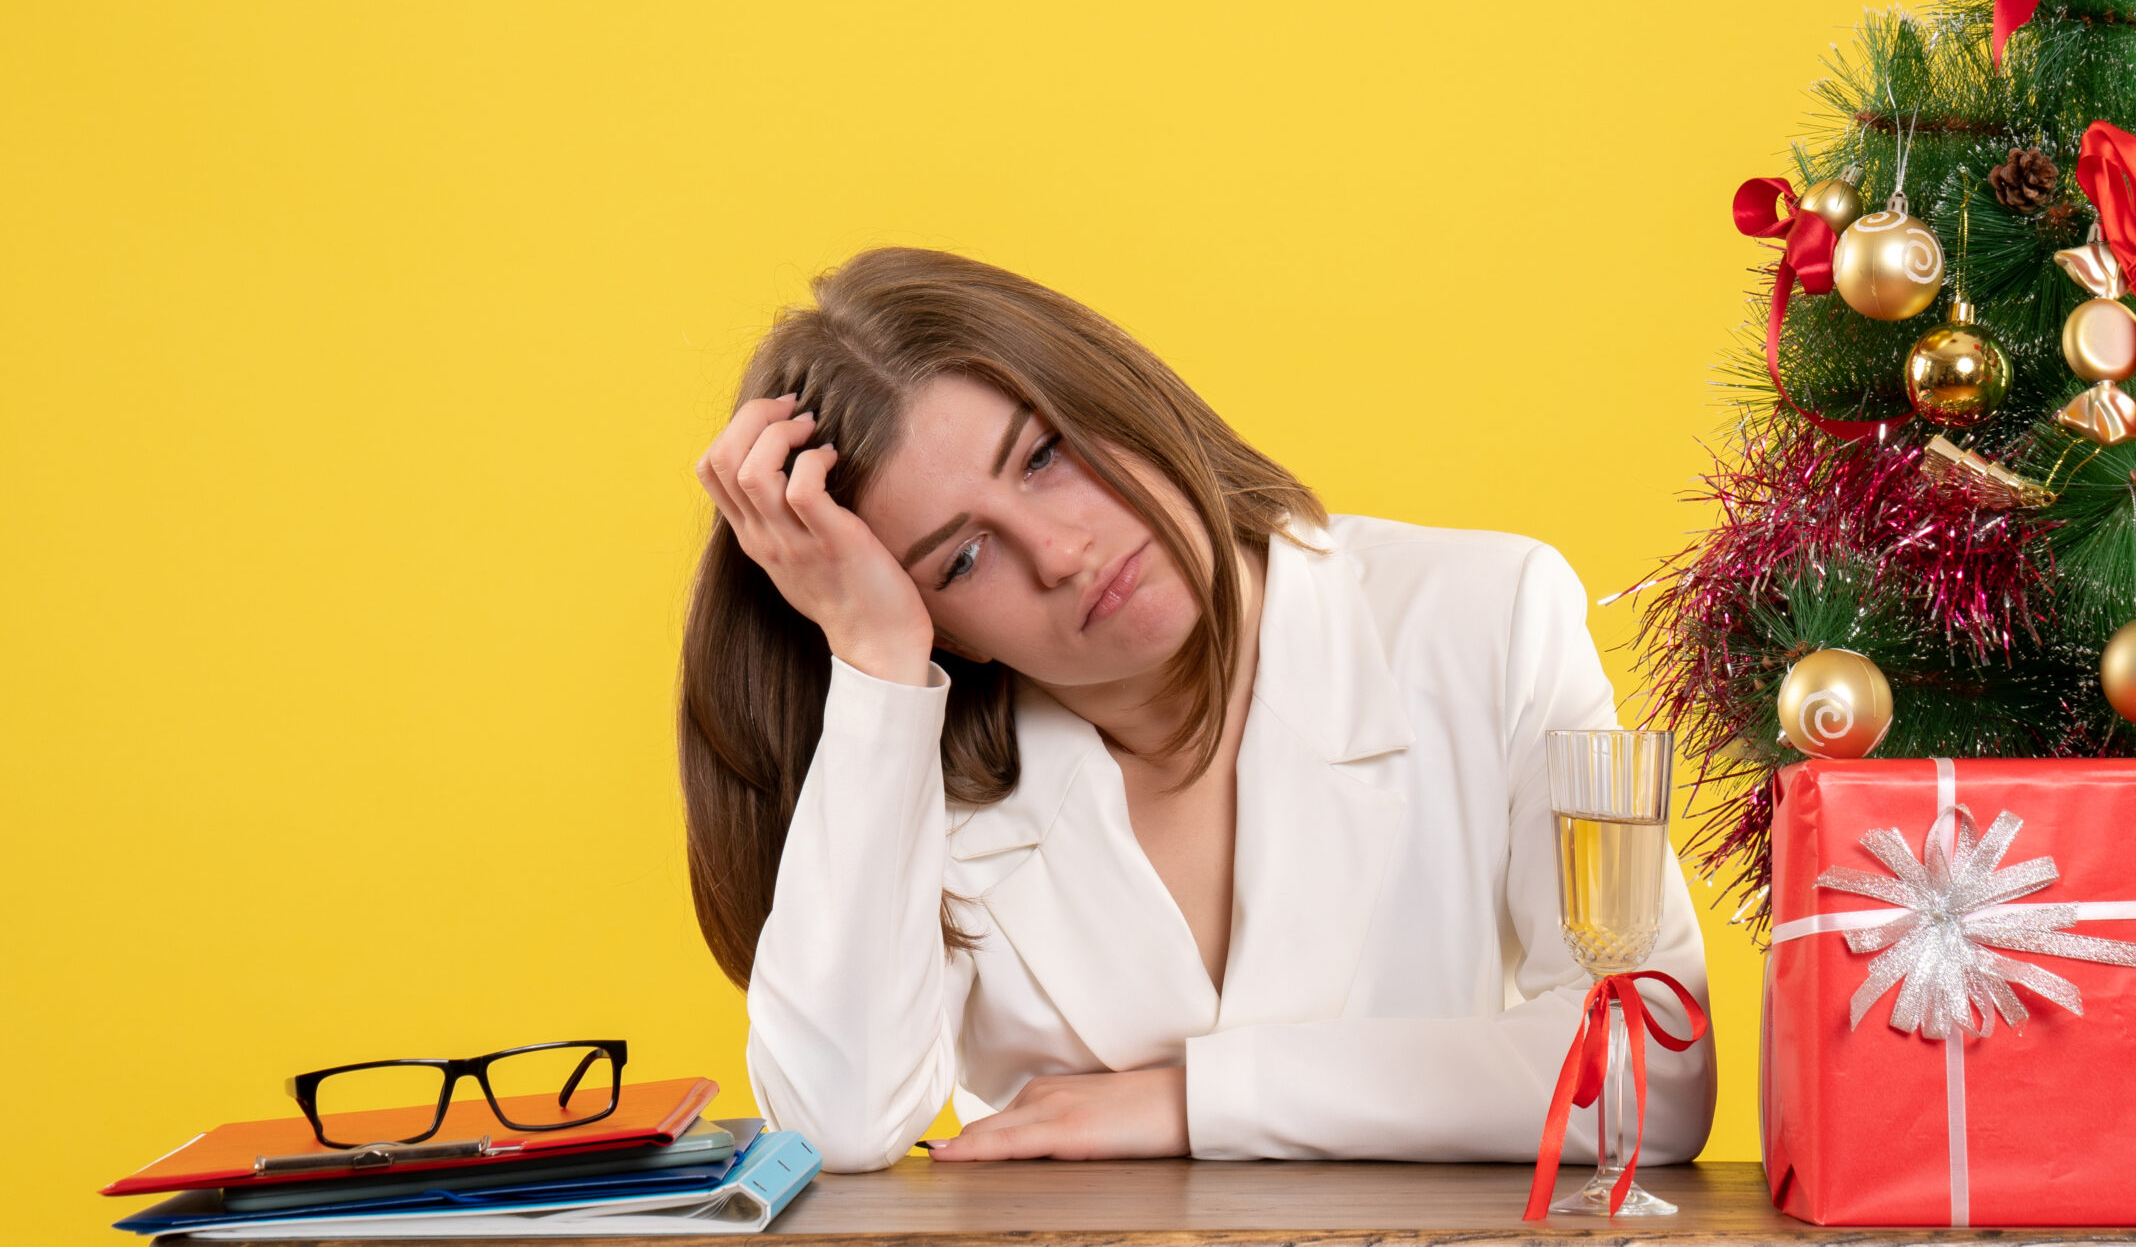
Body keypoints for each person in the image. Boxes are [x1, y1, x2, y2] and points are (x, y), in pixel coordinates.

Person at [680, 247, 1713, 1172]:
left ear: (1113, 396)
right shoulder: (917, 764)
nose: (1061, 553)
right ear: (940, 622)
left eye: (1042, 456)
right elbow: (840, 1121)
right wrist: (875, 661)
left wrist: (1193, 1100)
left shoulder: (1487, 617)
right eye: (962, 556)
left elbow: (1646, 1072)